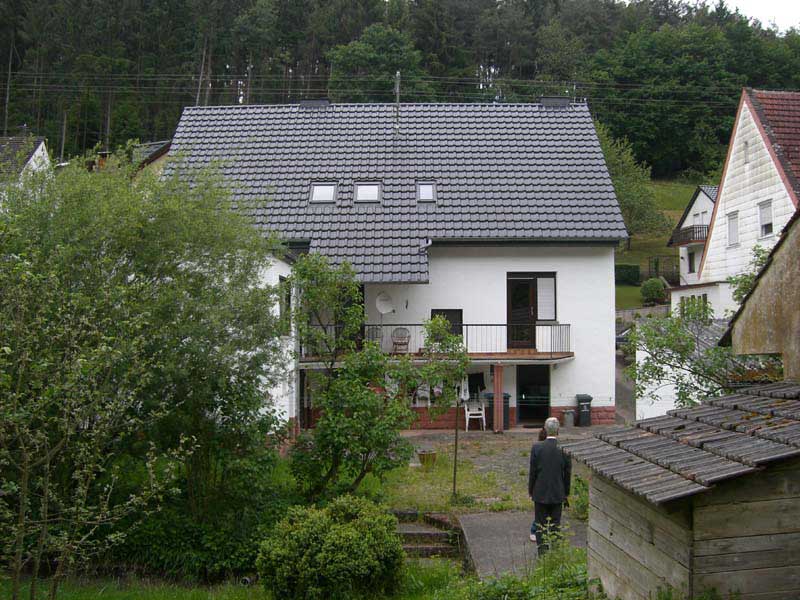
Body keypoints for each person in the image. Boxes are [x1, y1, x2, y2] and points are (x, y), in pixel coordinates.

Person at [528, 417, 571, 554]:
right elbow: (567, 474)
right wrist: (566, 493)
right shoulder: (564, 449)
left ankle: (543, 554)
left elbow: (533, 472)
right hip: (558, 492)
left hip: (540, 492)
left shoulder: (537, 448)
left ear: (545, 430)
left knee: (540, 525)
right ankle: (556, 553)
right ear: (558, 430)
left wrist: (531, 491)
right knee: (555, 525)